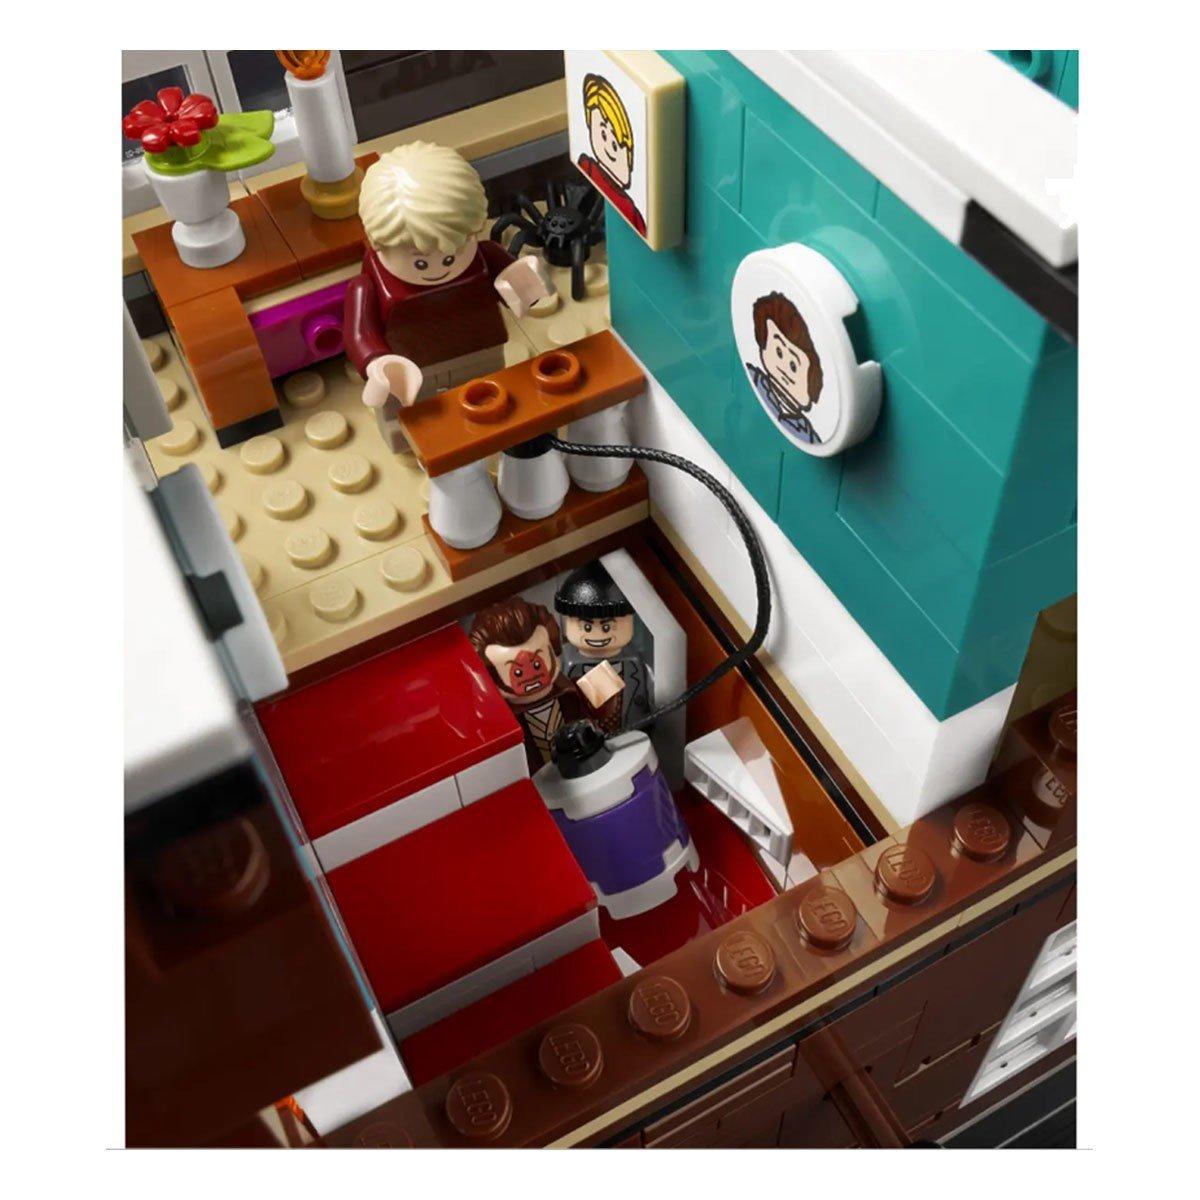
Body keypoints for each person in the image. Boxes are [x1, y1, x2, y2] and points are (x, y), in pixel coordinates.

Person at [343, 141, 554, 451]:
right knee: (414, 420)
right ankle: (416, 443)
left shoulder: (485, 256)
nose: (439, 268)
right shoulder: (369, 286)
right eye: (420, 262)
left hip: (480, 351)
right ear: (377, 242)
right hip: (408, 370)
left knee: (490, 399)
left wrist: (524, 283)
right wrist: (378, 362)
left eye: (451, 255)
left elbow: (516, 284)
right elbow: (360, 333)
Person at [468, 596, 607, 772]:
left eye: (536, 664)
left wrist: (605, 691)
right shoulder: (502, 724)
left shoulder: (574, 689)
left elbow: (607, 712)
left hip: (587, 768)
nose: (530, 675)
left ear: (553, 650)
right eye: (518, 672)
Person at [554, 561, 652, 733]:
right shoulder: (570, 667)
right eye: (587, 627)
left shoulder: (633, 664)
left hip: (630, 734)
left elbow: (640, 703)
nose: (598, 635)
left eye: (607, 627)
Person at [744, 291, 827, 445]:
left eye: (793, 366)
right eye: (779, 352)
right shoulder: (753, 378)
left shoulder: (810, 438)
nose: (784, 368)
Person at [575, 74, 648, 238]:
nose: (609, 147)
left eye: (616, 145)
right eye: (602, 133)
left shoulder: (632, 212)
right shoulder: (586, 165)